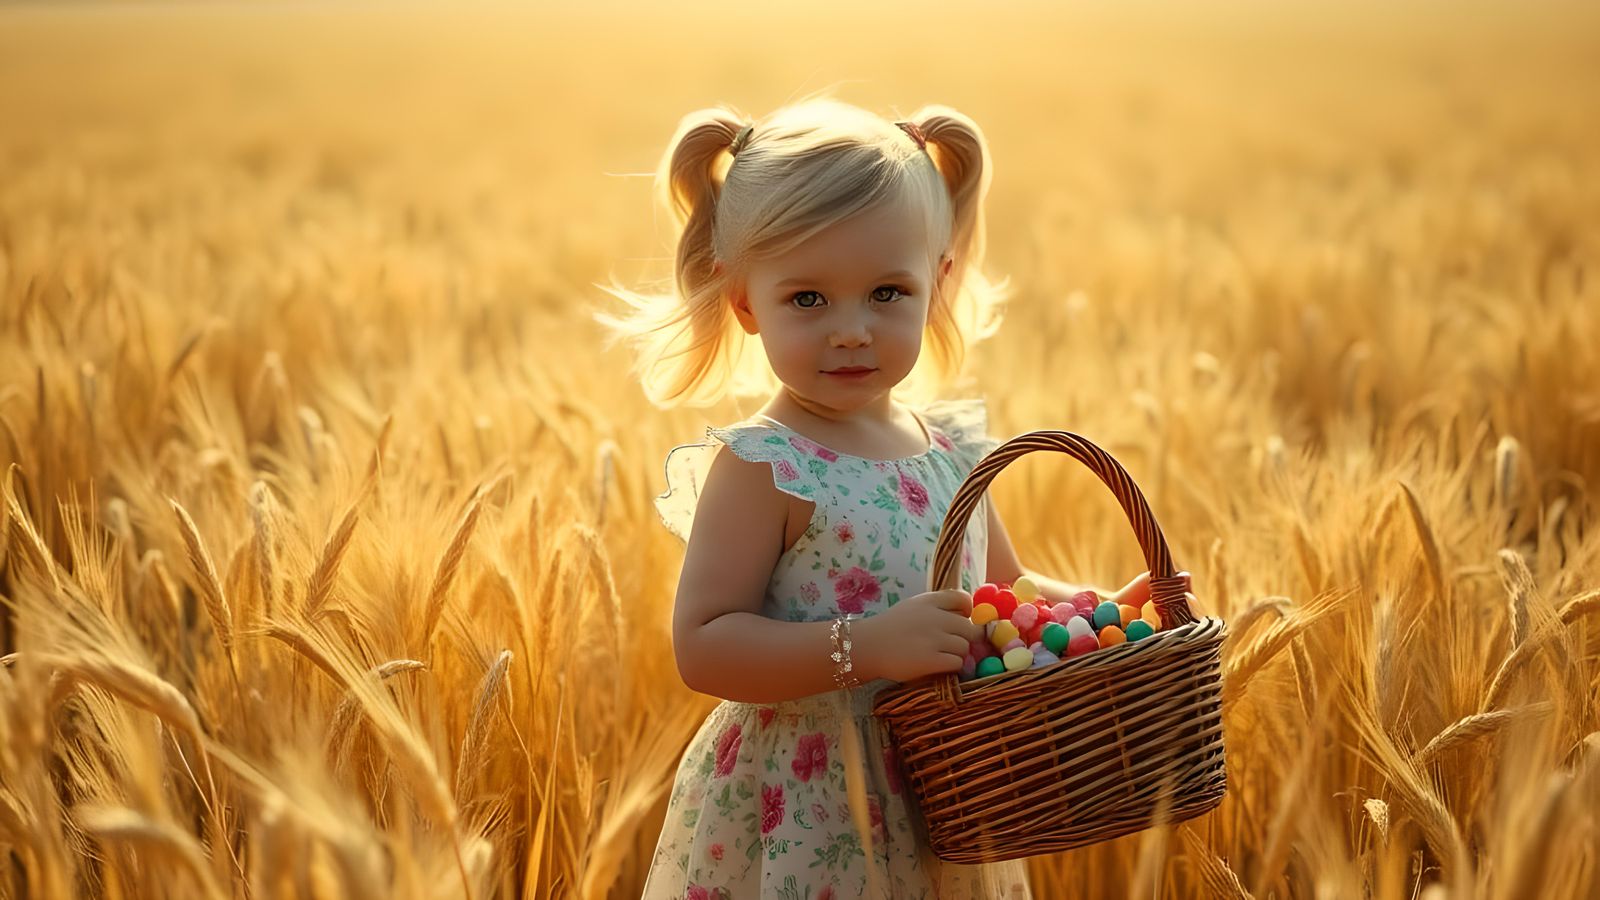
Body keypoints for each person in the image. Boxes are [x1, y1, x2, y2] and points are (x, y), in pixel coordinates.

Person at [597, 94, 1159, 899]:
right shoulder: (765, 466)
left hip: (953, 796)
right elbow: (704, 644)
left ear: (939, 281)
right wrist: (866, 646)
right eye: (808, 299)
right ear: (745, 301)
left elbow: (1006, 594)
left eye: (887, 293)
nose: (851, 329)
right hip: (810, 807)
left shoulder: (954, 452)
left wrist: (1106, 612)